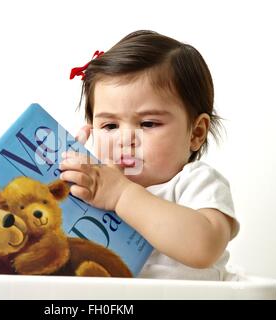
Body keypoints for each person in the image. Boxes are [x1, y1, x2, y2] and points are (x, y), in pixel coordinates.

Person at [59, 30, 239, 280]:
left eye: (148, 124)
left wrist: (121, 194)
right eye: (110, 126)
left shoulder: (194, 182)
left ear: (196, 133)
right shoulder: (94, 190)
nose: (125, 139)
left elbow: (204, 247)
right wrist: (64, 178)